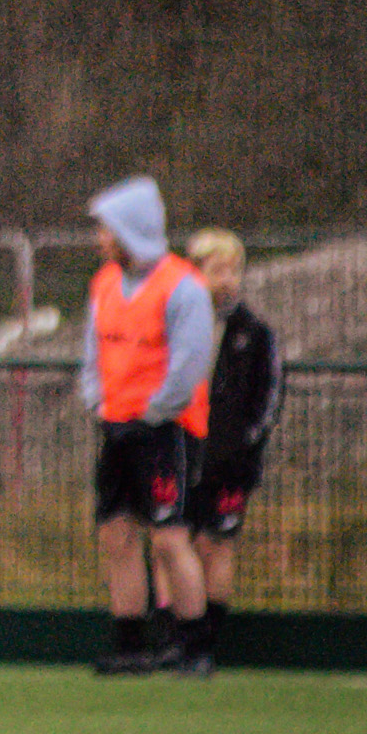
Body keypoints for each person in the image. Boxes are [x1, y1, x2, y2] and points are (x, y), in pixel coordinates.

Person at [80, 175, 216, 677]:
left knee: (169, 538)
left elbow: (189, 364)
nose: (100, 238)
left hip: (166, 431)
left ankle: (194, 645)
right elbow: (92, 354)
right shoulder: (104, 283)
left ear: (128, 230)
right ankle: (131, 646)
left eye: (106, 229)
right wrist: (98, 401)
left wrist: (154, 411)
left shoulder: (184, 287)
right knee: (116, 536)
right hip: (117, 428)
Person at [183, 227, 283, 668]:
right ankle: (177, 637)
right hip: (184, 454)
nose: (226, 279)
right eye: (216, 269)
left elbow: (270, 395)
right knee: (177, 545)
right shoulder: (180, 325)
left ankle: (207, 641)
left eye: (232, 270)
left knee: (216, 544)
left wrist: (244, 442)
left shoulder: (254, 332)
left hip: (231, 463)